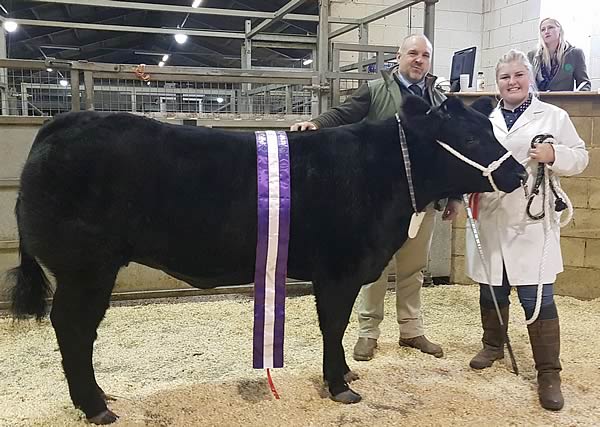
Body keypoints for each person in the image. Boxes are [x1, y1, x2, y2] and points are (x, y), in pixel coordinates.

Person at [291, 34, 462, 362]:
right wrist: (315, 123)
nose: (418, 60)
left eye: (425, 55)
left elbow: (450, 152)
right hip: (378, 204)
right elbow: (343, 114)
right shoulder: (375, 89)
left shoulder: (439, 100)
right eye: (412, 53)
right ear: (399, 57)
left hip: (421, 201)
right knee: (374, 267)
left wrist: (454, 195)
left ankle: (411, 330)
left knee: (414, 267)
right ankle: (368, 331)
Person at [466, 49, 589, 411]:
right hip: (489, 214)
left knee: (538, 298)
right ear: (496, 82)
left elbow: (580, 156)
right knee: (492, 289)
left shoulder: (554, 115)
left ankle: (549, 371)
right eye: (505, 77)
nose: (512, 82)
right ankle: (493, 345)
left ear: (529, 78)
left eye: (519, 75)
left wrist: (555, 155)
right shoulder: (484, 117)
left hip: (531, 218)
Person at [528, 17, 591, 91]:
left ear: (560, 30)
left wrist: (579, 98)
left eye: (550, 27)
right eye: (543, 29)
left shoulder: (574, 53)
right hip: (539, 100)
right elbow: (527, 82)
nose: (546, 31)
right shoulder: (532, 55)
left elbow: (584, 82)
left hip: (563, 101)